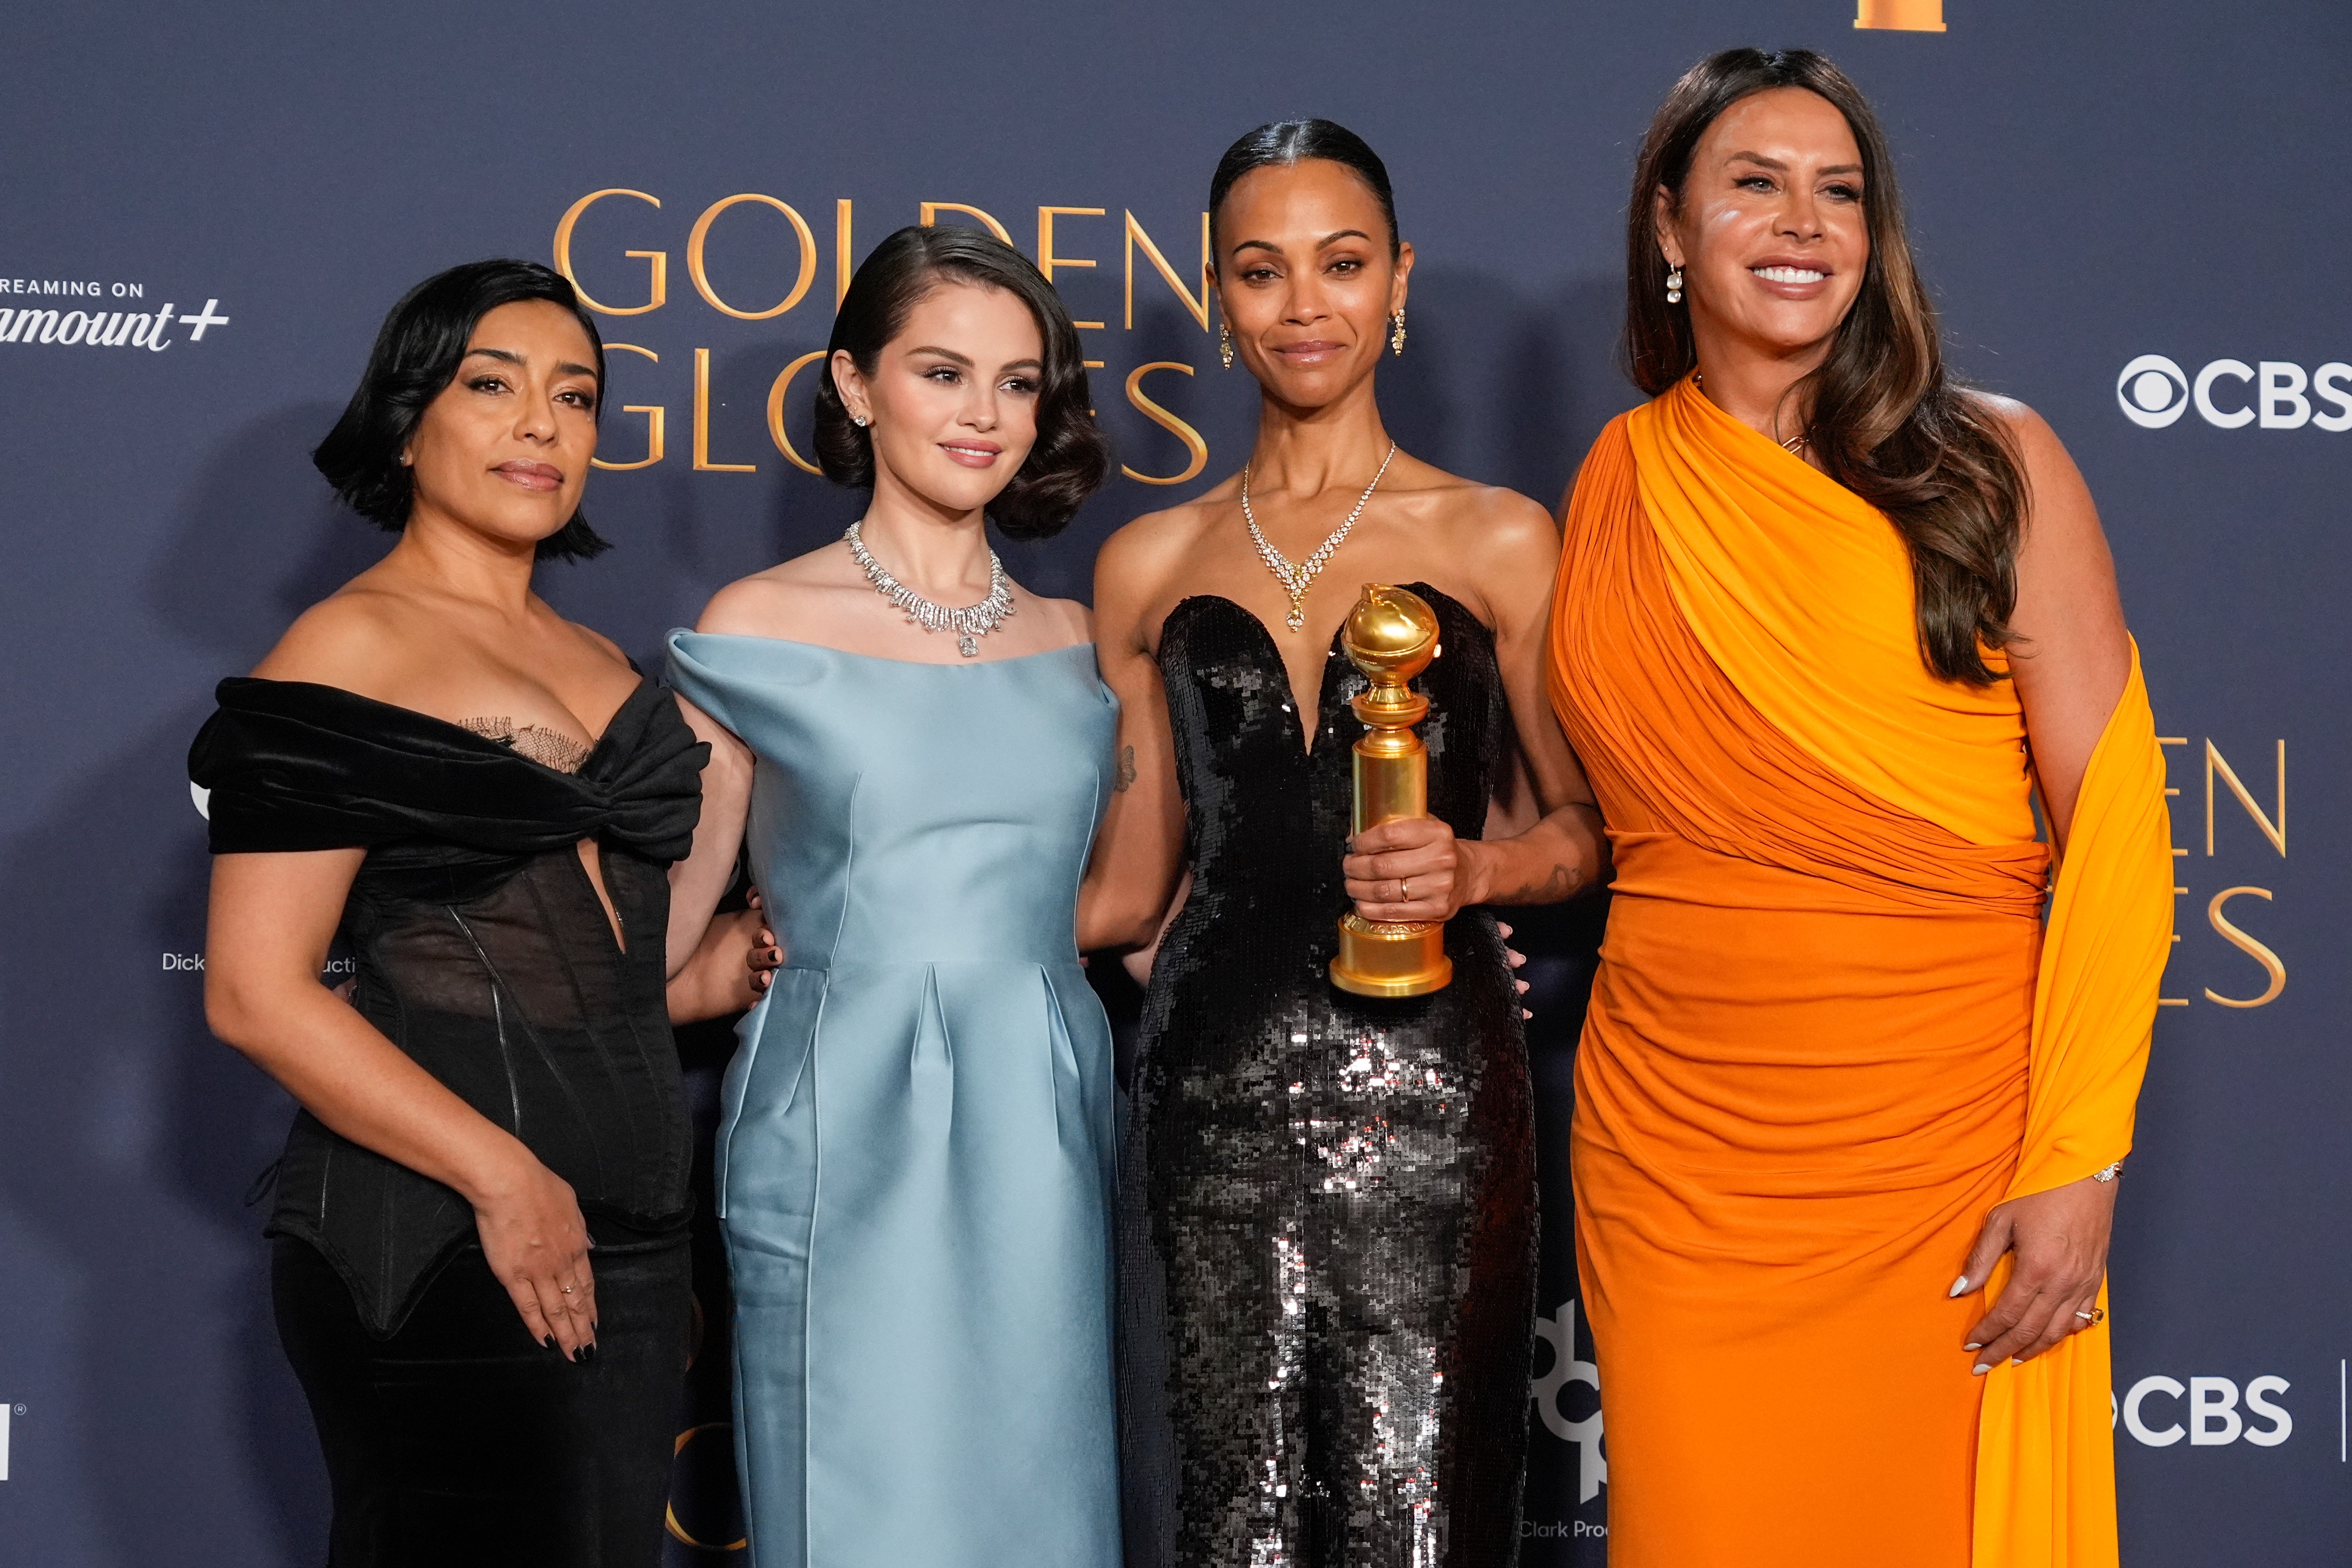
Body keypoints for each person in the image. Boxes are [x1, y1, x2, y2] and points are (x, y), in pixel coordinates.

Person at [1545, 49, 2175, 1568]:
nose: (1801, 221)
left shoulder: (1996, 462)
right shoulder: (1620, 482)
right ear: (1670, 229)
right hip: (1677, 1166)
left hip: (1943, 1152)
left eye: (1840, 193)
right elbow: (1616, 818)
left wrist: (2075, 1159)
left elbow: (2118, 823)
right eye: (1753, 184)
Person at [192, 260, 770, 1565]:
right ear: (409, 421)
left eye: (577, 397)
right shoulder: (349, 650)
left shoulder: (601, 661)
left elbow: (601, 976)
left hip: (627, 1241)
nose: (541, 424)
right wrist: (504, 1179)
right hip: (443, 1240)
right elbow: (253, 990)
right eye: (492, 385)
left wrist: (719, 950)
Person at [1090, 121, 1608, 1568]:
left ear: (1399, 284)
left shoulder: (1502, 538)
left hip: (1437, 1096)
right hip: (1208, 1094)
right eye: (1262, 271)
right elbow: (1131, 890)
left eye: (1341, 263)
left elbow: (1581, 836)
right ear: (1217, 293)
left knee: (1420, 1509)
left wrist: (1482, 872)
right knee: (1222, 1513)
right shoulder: (1148, 562)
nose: (1302, 304)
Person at [661, 224, 1124, 1568]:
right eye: (942, 371)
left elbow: (1116, 904)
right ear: (857, 387)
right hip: (842, 1117)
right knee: (858, 1501)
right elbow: (661, 932)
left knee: (1041, 1503)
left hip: (1042, 1116)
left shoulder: (1076, 642)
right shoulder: (759, 625)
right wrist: (744, 963)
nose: (985, 415)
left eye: (1019, 381)